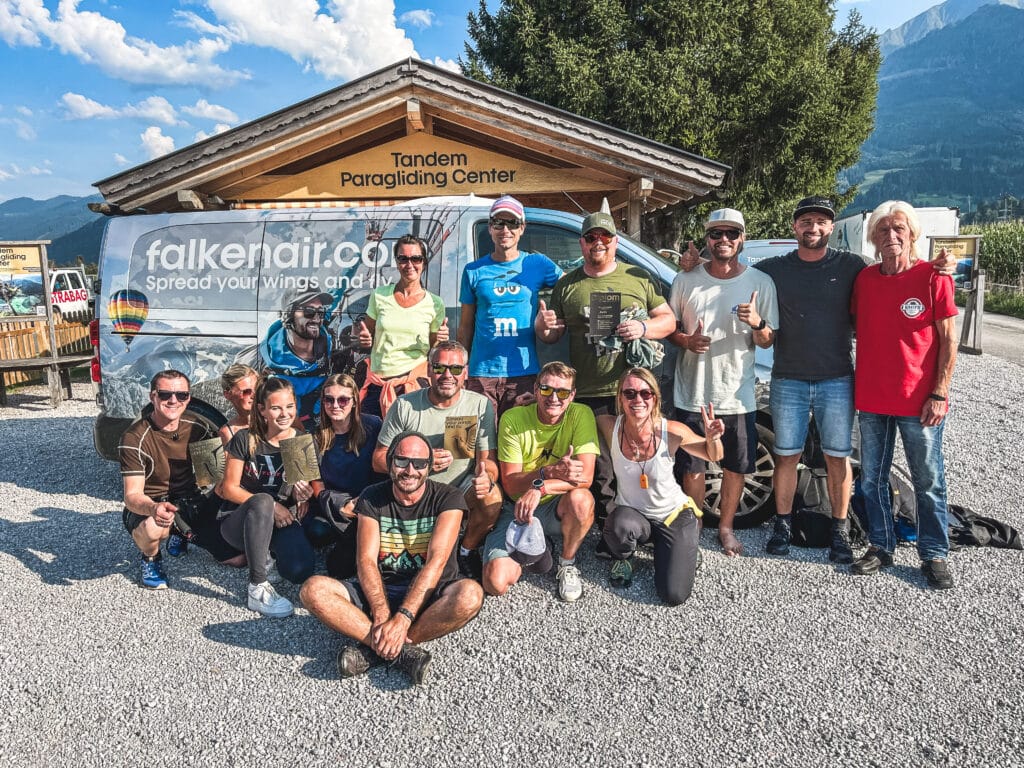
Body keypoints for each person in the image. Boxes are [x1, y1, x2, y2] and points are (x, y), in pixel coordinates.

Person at [754, 196, 959, 562]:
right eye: (805, 221)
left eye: (820, 221)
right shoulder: (787, 270)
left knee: (863, 464)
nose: (813, 228)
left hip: (853, 384)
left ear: (831, 227)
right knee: (810, 463)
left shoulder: (863, 268)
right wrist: (695, 264)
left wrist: (942, 265)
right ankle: (803, 529)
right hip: (816, 385)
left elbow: (942, 328)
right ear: (794, 227)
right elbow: (733, 271)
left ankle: (869, 536)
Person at [300, 432, 484, 685]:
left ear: (429, 468)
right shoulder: (372, 496)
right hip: (382, 588)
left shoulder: (448, 498)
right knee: (312, 590)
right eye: (402, 461)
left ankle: (380, 647)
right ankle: (399, 651)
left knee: (470, 595)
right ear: (389, 463)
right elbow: (365, 560)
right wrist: (383, 614)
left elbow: (437, 561)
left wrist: (403, 617)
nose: (410, 470)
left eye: (419, 464)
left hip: (430, 592)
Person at [535, 211, 675, 520]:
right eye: (591, 238)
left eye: (605, 237)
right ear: (581, 244)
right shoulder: (567, 285)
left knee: (642, 458)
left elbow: (668, 320)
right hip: (589, 390)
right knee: (603, 467)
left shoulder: (637, 276)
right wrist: (542, 325)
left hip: (636, 393)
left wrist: (642, 328)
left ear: (615, 242)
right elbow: (551, 335)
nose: (598, 243)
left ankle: (648, 520)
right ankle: (611, 527)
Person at [849, 201, 958, 589]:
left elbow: (949, 340)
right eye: (883, 230)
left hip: (919, 401)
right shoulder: (865, 280)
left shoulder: (933, 276)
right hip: (873, 399)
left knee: (928, 479)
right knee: (872, 479)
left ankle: (934, 553)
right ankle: (881, 544)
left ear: (912, 234)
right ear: (873, 238)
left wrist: (940, 392)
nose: (891, 236)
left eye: (899, 229)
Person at [668, 208, 778, 556]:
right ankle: (696, 526)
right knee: (693, 467)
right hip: (692, 392)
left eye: (732, 233)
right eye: (717, 234)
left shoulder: (760, 283)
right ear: (707, 240)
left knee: (735, 466)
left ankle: (726, 527)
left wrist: (758, 323)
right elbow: (669, 328)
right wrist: (686, 341)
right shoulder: (685, 281)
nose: (724, 240)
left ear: (742, 238)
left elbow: (768, 340)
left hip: (737, 393)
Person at [372, 342, 502, 580]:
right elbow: (379, 460)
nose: (447, 375)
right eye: (440, 368)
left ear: (465, 372)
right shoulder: (405, 406)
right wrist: (421, 460)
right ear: (429, 371)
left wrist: (487, 477)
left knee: (492, 494)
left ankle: (466, 550)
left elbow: (489, 461)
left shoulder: (479, 405)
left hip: (461, 490)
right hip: (417, 493)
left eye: (455, 368)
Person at [596, 368, 725, 605]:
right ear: (620, 398)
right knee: (617, 524)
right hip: (633, 515)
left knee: (673, 595)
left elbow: (712, 455)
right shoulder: (608, 425)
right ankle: (625, 557)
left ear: (655, 398)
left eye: (646, 394)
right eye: (630, 393)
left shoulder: (670, 431)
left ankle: (681, 547)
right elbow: (573, 420)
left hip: (672, 515)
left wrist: (712, 438)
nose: (638, 400)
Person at [482, 361, 600, 602]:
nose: (554, 398)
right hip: (517, 507)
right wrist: (548, 472)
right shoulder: (513, 418)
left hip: (555, 505)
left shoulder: (581, 414)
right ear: (535, 389)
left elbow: (585, 477)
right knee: (495, 583)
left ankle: (566, 562)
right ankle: (536, 545)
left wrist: (541, 486)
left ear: (572, 395)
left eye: (563, 392)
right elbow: (513, 486)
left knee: (582, 499)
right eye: (547, 389)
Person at [118, 370, 243, 590]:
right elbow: (132, 495)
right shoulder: (133, 437)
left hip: (188, 499)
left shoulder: (197, 426)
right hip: (152, 503)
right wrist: (154, 507)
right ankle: (151, 558)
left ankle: (182, 532)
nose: (173, 400)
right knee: (155, 529)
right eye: (165, 394)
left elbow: (211, 475)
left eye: (181, 395)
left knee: (237, 559)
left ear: (189, 398)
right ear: (153, 396)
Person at [218, 376, 318, 617]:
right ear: (262, 410)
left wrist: (302, 494)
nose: (284, 414)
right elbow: (228, 488)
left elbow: (305, 491)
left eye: (290, 406)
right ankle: (256, 587)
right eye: (276, 408)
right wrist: (272, 505)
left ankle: (266, 554)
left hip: (281, 520)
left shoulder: (300, 440)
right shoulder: (246, 438)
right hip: (239, 521)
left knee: (299, 571)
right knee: (262, 499)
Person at [458, 195, 562, 417]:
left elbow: (571, 287)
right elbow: (466, 327)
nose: (505, 229)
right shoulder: (473, 270)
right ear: (490, 228)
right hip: (481, 374)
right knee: (481, 443)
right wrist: (461, 370)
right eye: (499, 222)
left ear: (522, 228)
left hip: (523, 372)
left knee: (519, 442)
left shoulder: (537, 263)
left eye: (512, 223)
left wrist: (552, 318)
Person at [358, 235, 448, 418]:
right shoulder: (380, 295)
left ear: (424, 262)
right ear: (397, 262)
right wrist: (365, 340)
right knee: (372, 442)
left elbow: (433, 351)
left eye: (416, 259)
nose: (409, 265)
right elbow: (366, 339)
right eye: (403, 259)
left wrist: (441, 339)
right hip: (378, 384)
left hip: (413, 386)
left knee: (410, 444)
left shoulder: (434, 303)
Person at [314, 373, 385, 579]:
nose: (336, 405)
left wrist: (364, 501)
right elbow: (316, 482)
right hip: (336, 504)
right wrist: (338, 503)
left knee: (342, 566)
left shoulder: (373, 425)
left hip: (369, 500)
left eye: (343, 399)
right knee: (317, 533)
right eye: (329, 399)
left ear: (354, 401)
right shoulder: (316, 435)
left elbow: (382, 470)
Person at [235, 286, 335, 428]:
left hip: (323, 426)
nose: (317, 318)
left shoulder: (329, 344)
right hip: (288, 431)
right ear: (288, 315)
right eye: (309, 311)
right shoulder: (263, 359)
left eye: (320, 311)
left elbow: (339, 291)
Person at [218, 364, 259, 445]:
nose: (254, 395)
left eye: (258, 389)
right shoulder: (226, 433)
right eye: (246, 391)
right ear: (228, 394)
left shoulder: (277, 421)